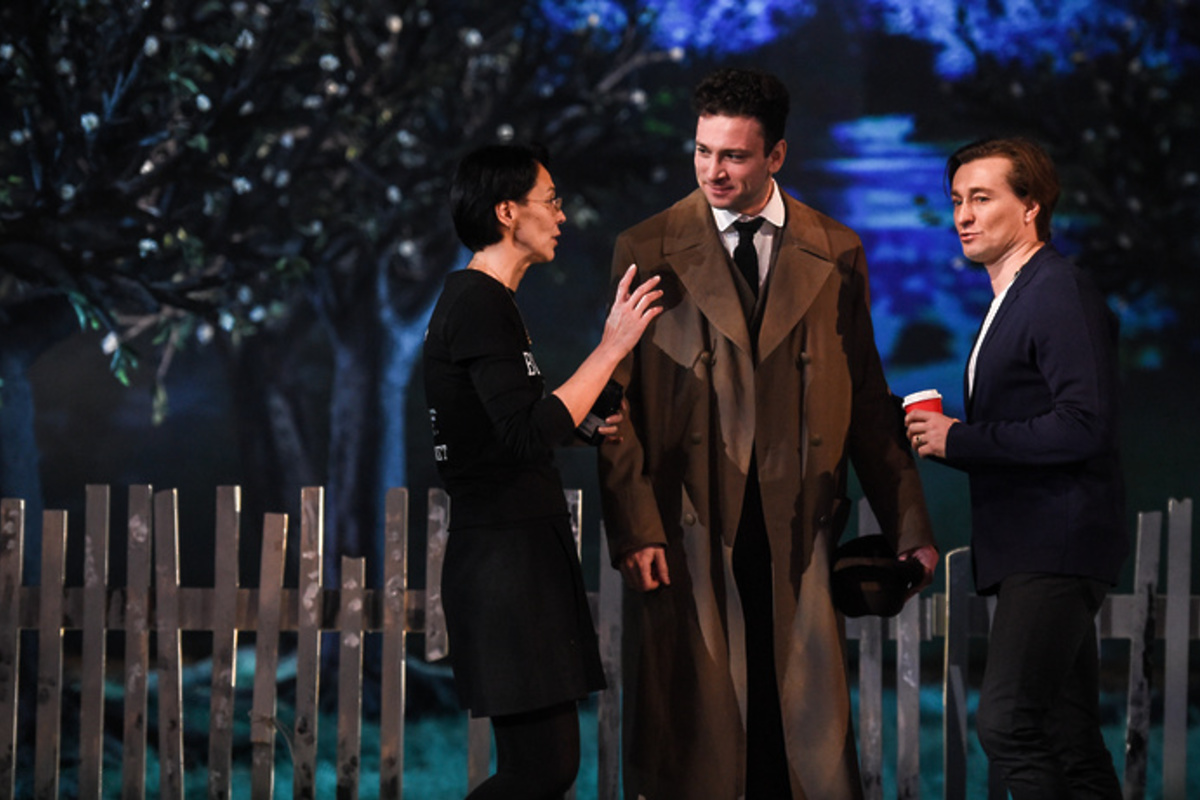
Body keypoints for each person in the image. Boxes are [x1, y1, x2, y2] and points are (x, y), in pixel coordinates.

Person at [597, 67, 938, 800]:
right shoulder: (649, 245)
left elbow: (867, 398)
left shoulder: (834, 248)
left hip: (797, 525)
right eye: (702, 151)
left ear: (776, 155)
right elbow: (613, 405)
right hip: (692, 525)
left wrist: (909, 522)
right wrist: (635, 528)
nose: (713, 171)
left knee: (795, 740)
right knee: (703, 744)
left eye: (734, 155)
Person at [424, 143, 663, 799]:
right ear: (507, 212)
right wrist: (612, 346)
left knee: (546, 767)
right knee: (542, 768)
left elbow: (509, 427)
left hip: (516, 555)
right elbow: (526, 430)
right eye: (550, 201)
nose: (561, 215)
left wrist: (580, 422)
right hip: (505, 564)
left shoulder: (486, 302)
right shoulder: (479, 303)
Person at [905, 137, 1127, 799]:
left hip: (1056, 542)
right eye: (956, 200)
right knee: (1067, 734)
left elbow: (1084, 423)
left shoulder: (1056, 289)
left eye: (982, 198)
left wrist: (963, 440)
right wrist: (940, 434)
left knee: (1007, 722)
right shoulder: (1019, 295)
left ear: (1031, 206)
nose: (963, 215)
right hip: (1036, 542)